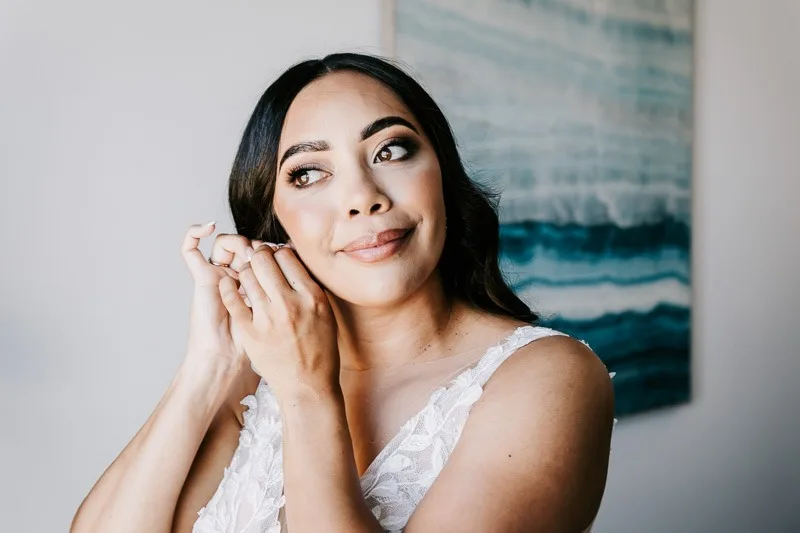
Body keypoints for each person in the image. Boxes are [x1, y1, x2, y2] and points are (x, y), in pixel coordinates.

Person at [70, 52, 615, 533]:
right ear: (275, 223)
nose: (362, 197)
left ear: (442, 177)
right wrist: (209, 366)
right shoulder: (253, 388)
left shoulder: (548, 378)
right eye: (309, 174)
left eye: (390, 150)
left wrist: (309, 392)